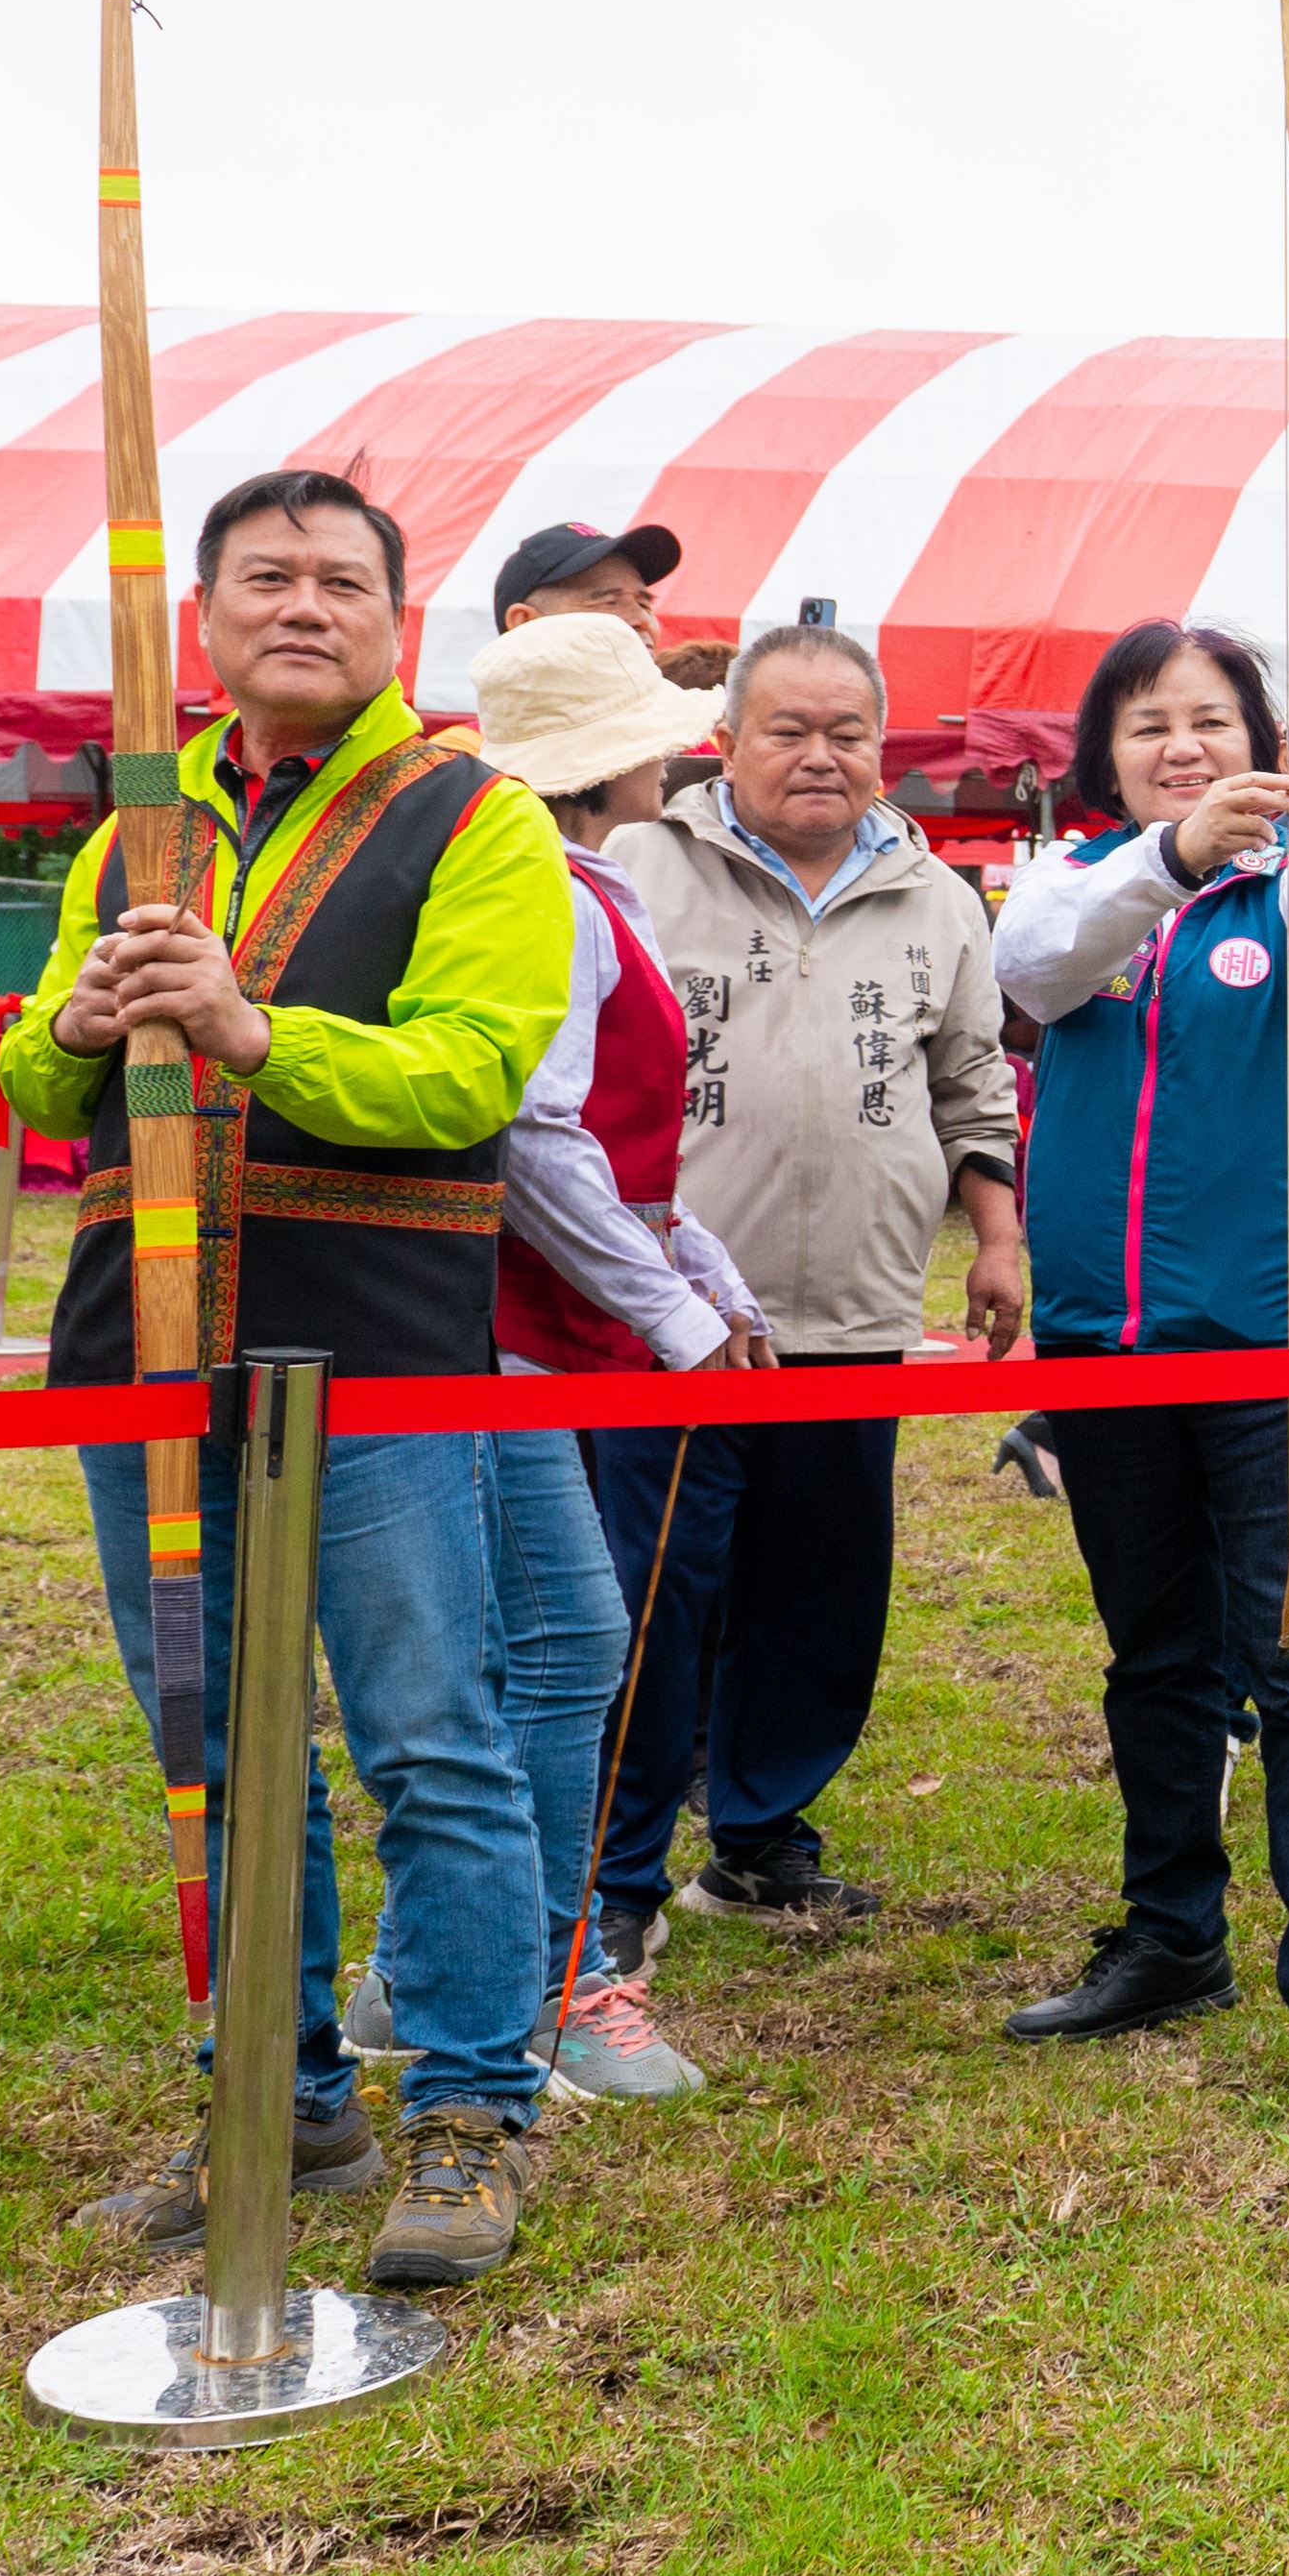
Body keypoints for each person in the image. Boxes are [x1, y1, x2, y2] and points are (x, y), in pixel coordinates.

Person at [5, 469, 572, 2285]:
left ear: (397, 619)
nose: (303, 604)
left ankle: (474, 2104)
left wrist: (252, 1031)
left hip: (372, 1349)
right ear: (208, 617)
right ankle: (274, 2092)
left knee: (429, 1731)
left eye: (343, 579)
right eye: (267, 576)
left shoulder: (478, 819)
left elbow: (469, 1074)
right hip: (148, 1344)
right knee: (216, 1744)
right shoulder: (138, 829)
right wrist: (73, 1029)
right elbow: (28, 1077)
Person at [989, 620, 1289, 2122]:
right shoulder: (1079, 882)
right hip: (1104, 1337)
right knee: (1154, 1655)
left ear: (1271, 740)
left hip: (1279, 1336)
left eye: (1212, 719)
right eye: (1146, 722)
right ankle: (1172, 1934)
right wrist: (1168, 853)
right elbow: (1034, 970)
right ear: (1104, 751)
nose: (1181, 745)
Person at [599, 620, 1029, 1966]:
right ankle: (614, 1871)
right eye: (787, 727)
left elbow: (972, 1083)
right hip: (670, 1319)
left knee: (820, 1585)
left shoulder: (937, 897)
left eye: (847, 731)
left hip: (856, 1308)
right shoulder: (637, 865)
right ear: (722, 737)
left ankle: (761, 1837)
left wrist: (997, 1235)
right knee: (655, 1589)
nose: (819, 754)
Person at [461, 613, 756, 2106]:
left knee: (535, 1654)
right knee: (556, 1654)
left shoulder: (586, 886)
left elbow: (615, 1153)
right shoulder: (561, 902)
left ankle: (458, 1960)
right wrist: (674, 1310)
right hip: (520, 1332)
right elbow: (539, 1139)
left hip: (557, 1318)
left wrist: (698, 1265)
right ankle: (547, 1975)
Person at [492, 518, 675, 640]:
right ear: (524, 622)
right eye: (609, 602)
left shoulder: (688, 698)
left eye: (644, 605)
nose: (641, 620)